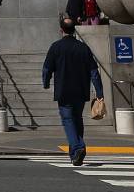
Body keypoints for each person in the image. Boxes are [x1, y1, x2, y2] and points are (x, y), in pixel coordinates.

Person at [42, 17, 104, 167]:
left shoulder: (56, 47)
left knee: (68, 120)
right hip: (81, 91)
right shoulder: (83, 48)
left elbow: (47, 68)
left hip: (64, 90)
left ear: (61, 30)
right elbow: (94, 72)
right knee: (77, 119)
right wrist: (99, 92)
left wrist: (46, 82)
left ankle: (78, 148)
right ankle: (75, 155)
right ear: (74, 29)